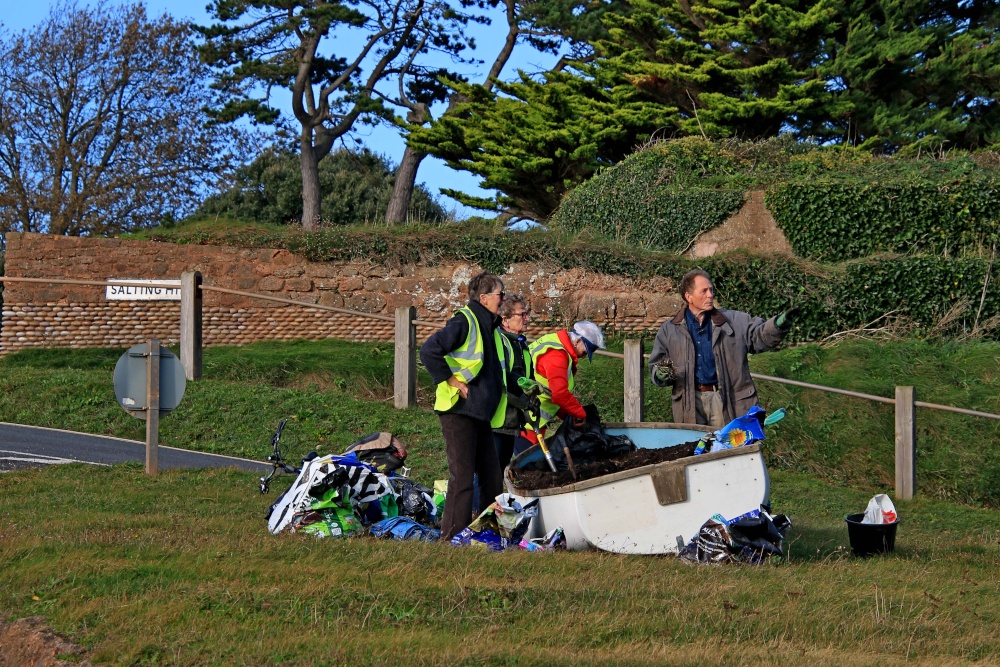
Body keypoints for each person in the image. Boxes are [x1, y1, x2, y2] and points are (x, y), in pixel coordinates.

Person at [419, 272, 515, 541]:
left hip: (480, 414)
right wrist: (451, 380)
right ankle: (451, 538)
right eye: (500, 294)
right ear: (484, 298)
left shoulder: (491, 327)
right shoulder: (465, 320)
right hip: (458, 411)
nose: (503, 299)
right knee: (461, 478)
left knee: (491, 477)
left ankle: (489, 535)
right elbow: (429, 350)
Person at [647, 269, 797, 427]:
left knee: (728, 441)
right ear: (688, 297)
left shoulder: (734, 321)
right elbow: (657, 365)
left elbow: (759, 336)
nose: (710, 295)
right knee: (696, 443)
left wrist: (778, 324)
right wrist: (661, 374)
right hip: (689, 403)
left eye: (711, 290)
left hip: (724, 400)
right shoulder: (669, 329)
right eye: (704, 291)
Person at [521, 320, 606, 447]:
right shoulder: (557, 355)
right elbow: (559, 393)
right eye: (584, 352)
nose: (583, 357)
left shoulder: (556, 343)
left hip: (531, 419)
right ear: (577, 341)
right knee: (526, 459)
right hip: (526, 423)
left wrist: (568, 414)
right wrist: (580, 413)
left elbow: (549, 391)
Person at [493, 294, 534, 469]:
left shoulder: (521, 345)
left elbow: (526, 379)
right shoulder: (499, 344)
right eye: (522, 314)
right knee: (488, 474)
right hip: (494, 422)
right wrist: (524, 402)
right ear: (505, 320)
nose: (527, 319)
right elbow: (500, 380)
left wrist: (533, 396)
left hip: (510, 422)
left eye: (527, 314)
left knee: (500, 471)